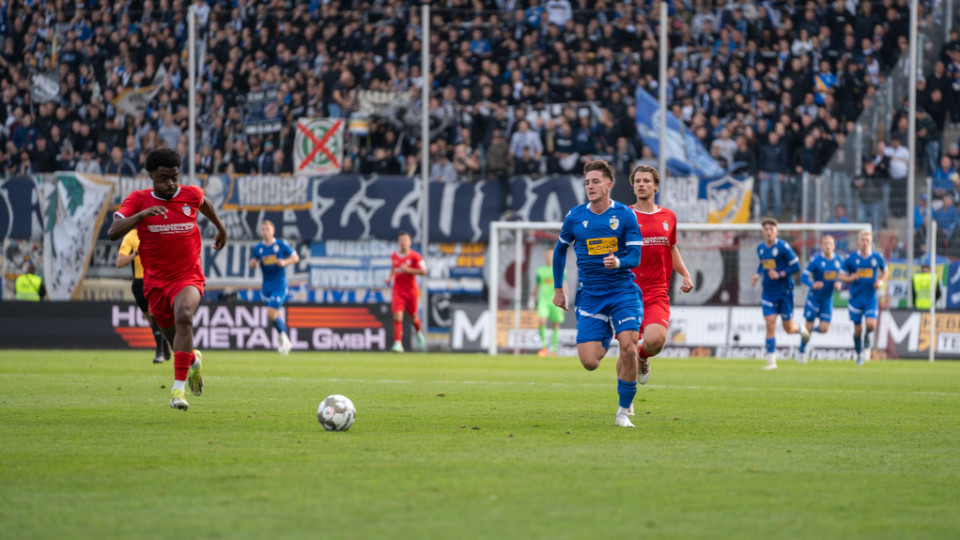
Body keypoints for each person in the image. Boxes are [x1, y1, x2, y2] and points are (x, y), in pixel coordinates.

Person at [108, 148, 228, 410]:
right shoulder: (138, 199)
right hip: (155, 284)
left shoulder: (189, 194)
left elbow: (203, 201)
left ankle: (177, 392)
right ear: (151, 175)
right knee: (176, 342)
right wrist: (141, 215)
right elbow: (113, 231)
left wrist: (221, 228)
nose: (171, 183)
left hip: (188, 276)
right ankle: (194, 361)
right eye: (164, 178)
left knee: (185, 315)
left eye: (175, 177)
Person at [553, 159, 643, 428]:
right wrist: (559, 289)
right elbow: (559, 252)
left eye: (595, 181)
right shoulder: (575, 217)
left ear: (608, 184)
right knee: (590, 362)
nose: (590, 186)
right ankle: (604, 332)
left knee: (629, 349)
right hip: (591, 295)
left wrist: (619, 262)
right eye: (587, 182)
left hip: (622, 291)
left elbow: (636, 255)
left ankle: (623, 412)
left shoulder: (625, 215)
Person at [627, 164, 694, 390]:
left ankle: (643, 357)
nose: (641, 184)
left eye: (646, 181)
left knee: (656, 341)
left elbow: (672, 248)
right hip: (628, 292)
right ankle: (626, 407)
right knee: (626, 350)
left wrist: (685, 274)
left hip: (656, 292)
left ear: (655, 186)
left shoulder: (669, 217)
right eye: (637, 181)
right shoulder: (625, 216)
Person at [750, 217, 809, 371]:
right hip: (768, 293)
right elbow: (763, 265)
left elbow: (796, 266)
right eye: (766, 229)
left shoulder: (783, 247)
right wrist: (757, 275)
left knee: (788, 328)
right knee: (770, 324)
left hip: (785, 292)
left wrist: (781, 273)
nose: (769, 232)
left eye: (771, 229)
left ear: (776, 231)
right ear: (762, 232)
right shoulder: (761, 248)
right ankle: (771, 361)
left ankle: (801, 330)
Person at [116, 228, 171, 364]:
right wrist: (136, 254)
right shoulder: (131, 236)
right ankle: (163, 343)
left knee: (154, 313)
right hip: (139, 283)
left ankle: (159, 353)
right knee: (151, 320)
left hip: (154, 280)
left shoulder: (157, 231)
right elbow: (119, 262)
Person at [249, 220, 300, 355]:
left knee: (270, 313)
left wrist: (285, 261)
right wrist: (253, 264)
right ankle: (285, 341)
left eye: (267, 229)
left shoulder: (281, 245)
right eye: (263, 229)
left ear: (273, 231)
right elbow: (252, 263)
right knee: (275, 315)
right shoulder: (258, 248)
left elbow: (296, 258)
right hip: (266, 287)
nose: (265, 231)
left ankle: (285, 340)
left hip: (280, 285)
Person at [839, 230, 887, 365]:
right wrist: (850, 278)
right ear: (858, 242)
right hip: (855, 299)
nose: (865, 242)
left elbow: (886, 271)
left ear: (871, 242)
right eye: (862, 240)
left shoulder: (877, 258)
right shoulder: (851, 258)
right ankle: (859, 354)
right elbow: (840, 275)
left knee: (871, 324)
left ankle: (868, 335)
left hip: (870, 298)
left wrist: (880, 282)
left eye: (867, 240)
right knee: (857, 329)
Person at [798, 235, 843, 364]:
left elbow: (843, 278)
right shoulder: (816, 260)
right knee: (809, 326)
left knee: (824, 328)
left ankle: (808, 331)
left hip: (827, 300)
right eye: (825, 243)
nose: (828, 246)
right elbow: (803, 277)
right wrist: (813, 284)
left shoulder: (839, 261)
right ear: (821, 246)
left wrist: (839, 284)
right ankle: (801, 352)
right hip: (814, 299)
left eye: (830, 243)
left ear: (834, 246)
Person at [385, 231, 426, 353]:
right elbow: (394, 270)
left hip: (411, 291)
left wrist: (409, 270)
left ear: (410, 242)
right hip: (398, 290)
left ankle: (418, 332)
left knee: (413, 317)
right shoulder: (394, 256)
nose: (403, 242)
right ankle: (398, 343)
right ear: (398, 242)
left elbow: (424, 271)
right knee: (398, 316)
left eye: (405, 240)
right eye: (401, 240)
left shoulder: (415, 256)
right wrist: (390, 278)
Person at [532, 249, 564, 357]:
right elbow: (537, 285)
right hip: (543, 301)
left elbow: (564, 284)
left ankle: (553, 350)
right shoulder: (540, 270)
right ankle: (544, 347)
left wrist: (566, 298)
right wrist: (532, 298)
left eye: (551, 255)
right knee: (541, 321)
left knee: (555, 324)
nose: (549, 257)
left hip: (557, 300)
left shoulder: (560, 269)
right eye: (547, 255)